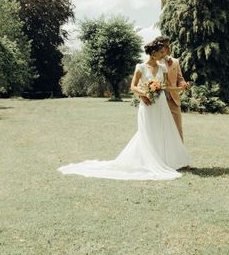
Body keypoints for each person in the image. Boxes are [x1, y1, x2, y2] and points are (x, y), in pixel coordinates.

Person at [57, 40, 190, 181]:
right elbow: (133, 87)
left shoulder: (162, 68)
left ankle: (164, 160)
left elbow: (164, 87)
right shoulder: (141, 67)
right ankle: (148, 161)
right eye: (161, 52)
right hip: (148, 106)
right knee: (148, 133)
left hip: (161, 105)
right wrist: (145, 92)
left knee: (161, 131)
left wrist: (180, 89)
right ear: (153, 52)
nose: (164, 54)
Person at [154, 36, 191, 142]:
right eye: (162, 45)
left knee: (178, 131)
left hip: (173, 100)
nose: (165, 48)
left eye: (166, 45)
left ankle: (180, 157)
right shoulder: (153, 63)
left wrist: (184, 84)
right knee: (159, 130)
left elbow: (180, 79)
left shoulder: (175, 62)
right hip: (157, 101)